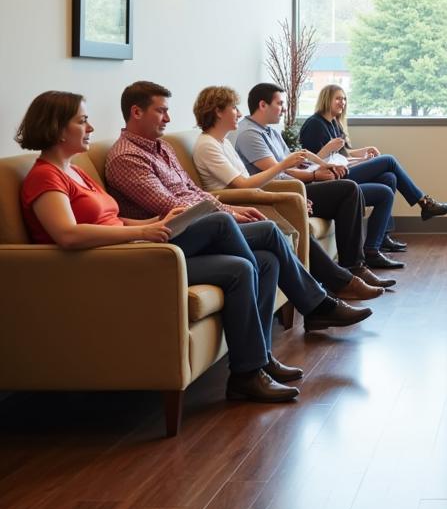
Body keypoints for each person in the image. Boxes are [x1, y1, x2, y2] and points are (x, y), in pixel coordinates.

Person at [16, 90, 358, 405]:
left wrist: (149, 227)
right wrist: (147, 232)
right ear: (58, 128)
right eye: (81, 120)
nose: (90, 126)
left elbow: (114, 219)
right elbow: (69, 235)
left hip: (140, 247)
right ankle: (316, 304)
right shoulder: (46, 176)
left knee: (260, 261)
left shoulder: (76, 172)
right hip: (119, 262)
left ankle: (251, 370)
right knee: (230, 226)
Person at [103, 80, 376, 341]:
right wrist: (229, 212)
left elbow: (194, 192)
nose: (168, 118)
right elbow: (170, 206)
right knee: (266, 230)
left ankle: (261, 359)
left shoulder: (162, 148)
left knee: (267, 257)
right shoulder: (128, 157)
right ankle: (322, 301)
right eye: (161, 111)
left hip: (202, 219)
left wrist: (231, 207)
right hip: (172, 236)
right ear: (136, 112)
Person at [190, 85, 387, 301]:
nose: (238, 112)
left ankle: (348, 273)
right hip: (243, 203)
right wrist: (292, 182)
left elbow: (254, 181)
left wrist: (306, 178)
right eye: (233, 108)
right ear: (218, 112)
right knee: (349, 189)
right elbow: (243, 185)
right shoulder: (213, 144)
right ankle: (340, 283)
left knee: (353, 189)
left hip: (257, 196)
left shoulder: (224, 142)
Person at [235, 84, 404, 271]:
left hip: (299, 183)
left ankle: (362, 258)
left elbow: (295, 162)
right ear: (262, 105)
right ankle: (355, 266)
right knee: (353, 185)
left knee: (385, 183)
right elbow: (279, 171)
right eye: (280, 103)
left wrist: (322, 166)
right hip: (288, 190)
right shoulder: (250, 134)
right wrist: (315, 174)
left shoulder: (270, 131)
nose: (284, 108)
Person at [299, 83, 447, 256]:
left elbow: (342, 155)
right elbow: (312, 161)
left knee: (389, 178)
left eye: (344, 99)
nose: (342, 102)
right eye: (337, 98)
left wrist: (363, 155)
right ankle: (425, 203)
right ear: (326, 99)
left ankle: (380, 239)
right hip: (333, 179)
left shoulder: (334, 123)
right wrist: (330, 148)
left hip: (342, 170)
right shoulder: (314, 124)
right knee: (389, 160)